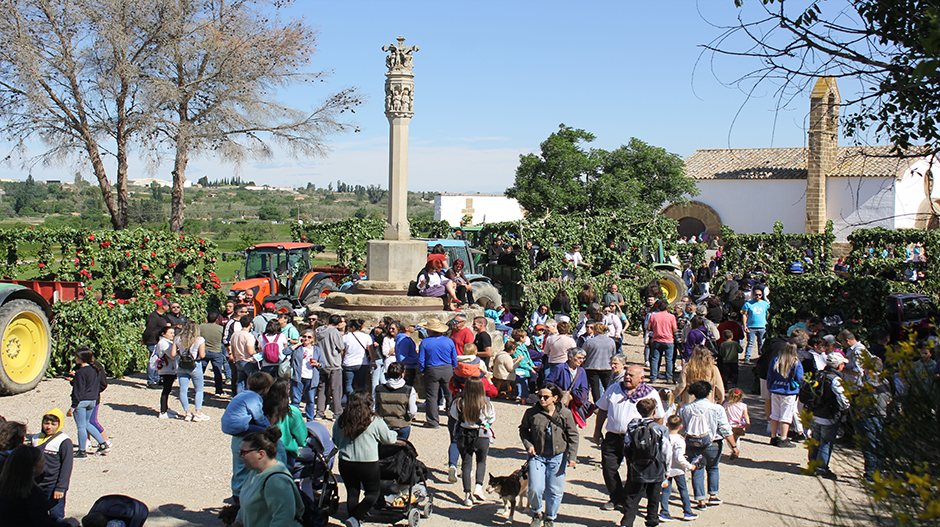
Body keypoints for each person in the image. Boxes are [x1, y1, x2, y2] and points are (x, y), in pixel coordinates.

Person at [593, 365, 665, 511]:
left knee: (634, 471)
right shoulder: (614, 389)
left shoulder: (650, 394)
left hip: (637, 440)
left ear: (641, 378)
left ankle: (629, 500)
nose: (627, 377)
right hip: (613, 436)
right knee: (608, 468)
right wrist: (597, 430)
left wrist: (653, 438)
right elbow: (602, 410)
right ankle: (616, 498)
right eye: (627, 374)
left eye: (632, 375)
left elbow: (659, 417)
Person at [333, 391, 398, 527]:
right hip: (367, 463)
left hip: (345, 461)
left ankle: (354, 519)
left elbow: (336, 440)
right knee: (373, 492)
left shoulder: (341, 420)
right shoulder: (374, 421)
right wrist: (394, 433)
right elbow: (388, 439)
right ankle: (355, 518)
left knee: (352, 492)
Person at [520, 384, 579, 527]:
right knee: (535, 487)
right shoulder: (531, 413)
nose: (541, 399)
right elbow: (523, 430)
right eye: (540, 396)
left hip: (557, 456)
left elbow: (573, 435)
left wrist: (572, 457)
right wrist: (529, 445)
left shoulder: (565, 414)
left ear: (555, 398)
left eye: (546, 397)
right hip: (537, 456)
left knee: (555, 489)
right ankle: (537, 513)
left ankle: (550, 518)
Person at [678, 381, 739, 509]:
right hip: (713, 443)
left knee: (697, 470)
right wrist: (733, 446)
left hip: (692, 443)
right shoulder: (717, 408)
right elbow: (725, 429)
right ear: (709, 392)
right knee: (713, 468)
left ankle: (700, 500)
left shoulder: (685, 409)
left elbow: (681, 429)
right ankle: (713, 495)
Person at [233, 426, 304, 527]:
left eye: (244, 452)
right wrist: (239, 520)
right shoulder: (255, 472)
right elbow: (245, 504)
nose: (240, 456)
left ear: (261, 454)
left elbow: (283, 520)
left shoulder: (276, 481)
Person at [221, 371, 274, 502]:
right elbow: (259, 417)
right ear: (265, 388)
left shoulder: (242, 394)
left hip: (230, 427)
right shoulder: (254, 398)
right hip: (241, 428)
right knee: (265, 431)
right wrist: (269, 427)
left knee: (238, 465)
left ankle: (237, 492)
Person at [620, 398, 669, 527]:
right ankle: (652, 521)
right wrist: (666, 468)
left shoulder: (632, 426)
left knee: (633, 496)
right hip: (656, 467)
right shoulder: (661, 429)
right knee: (654, 497)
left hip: (637, 467)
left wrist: (631, 460)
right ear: (654, 412)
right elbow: (666, 450)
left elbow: (626, 444)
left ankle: (627, 522)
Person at [450, 377, 496, 506]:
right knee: (481, 461)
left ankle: (467, 495)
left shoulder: (458, 402)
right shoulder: (487, 404)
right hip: (481, 435)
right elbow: (491, 419)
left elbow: (453, 415)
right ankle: (478, 486)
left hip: (463, 434)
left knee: (466, 464)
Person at [0, 445, 72, 527]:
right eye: (41, 461)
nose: (44, 463)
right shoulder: (32, 493)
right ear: (33, 467)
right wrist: (69, 524)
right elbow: (43, 523)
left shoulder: (4, 486)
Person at [808, 353, 850, 479]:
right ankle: (822, 468)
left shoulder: (819, 374)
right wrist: (844, 410)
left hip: (814, 413)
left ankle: (812, 464)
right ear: (838, 366)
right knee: (825, 443)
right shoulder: (835, 379)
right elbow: (843, 399)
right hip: (829, 416)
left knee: (815, 440)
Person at [29, 409, 72, 519]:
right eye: (46, 423)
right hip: (35, 484)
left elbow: (66, 466)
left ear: (59, 424)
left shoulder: (63, 441)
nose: (49, 427)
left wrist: (61, 487)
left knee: (56, 515)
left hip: (52, 484)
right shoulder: (35, 438)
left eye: (53, 424)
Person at [68, 348, 109, 456]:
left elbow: (78, 390)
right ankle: (103, 444)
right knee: (87, 424)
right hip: (93, 400)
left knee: (81, 426)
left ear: (82, 358)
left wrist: (73, 406)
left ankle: (82, 451)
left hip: (82, 402)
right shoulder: (95, 369)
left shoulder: (80, 372)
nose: (75, 359)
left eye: (76, 357)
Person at [418, 320, 458, 428]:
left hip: (432, 369)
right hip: (447, 368)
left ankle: (433, 421)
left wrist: (423, 371)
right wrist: (453, 368)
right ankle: (452, 419)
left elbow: (421, 359)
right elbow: (454, 357)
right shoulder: (449, 341)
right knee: (449, 394)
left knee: (432, 396)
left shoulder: (425, 342)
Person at [660, 414, 698, 522]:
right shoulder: (680, 440)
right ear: (681, 426)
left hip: (666, 469)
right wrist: (690, 466)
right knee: (683, 490)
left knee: (665, 491)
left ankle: (664, 511)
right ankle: (687, 511)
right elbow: (679, 458)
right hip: (678, 470)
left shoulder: (663, 438)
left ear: (667, 425)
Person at [264, 378, 307, 469]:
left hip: (264, 448)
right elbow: (301, 436)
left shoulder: (263, 407)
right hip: (287, 451)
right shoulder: (292, 411)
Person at [767, 343, 803, 448]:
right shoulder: (795, 362)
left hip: (775, 390)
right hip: (789, 392)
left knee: (775, 415)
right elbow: (800, 378)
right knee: (785, 416)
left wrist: (770, 386)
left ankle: (773, 437)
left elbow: (769, 375)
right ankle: (783, 438)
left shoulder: (775, 360)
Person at [545, 348, 590, 427]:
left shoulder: (582, 371)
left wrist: (575, 396)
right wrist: (560, 392)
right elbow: (548, 382)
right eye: (579, 358)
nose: (582, 360)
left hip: (574, 405)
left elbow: (585, 388)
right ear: (570, 357)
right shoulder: (560, 368)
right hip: (560, 402)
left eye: (583, 358)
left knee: (571, 427)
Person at [174, 321, 209, 422]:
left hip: (182, 365)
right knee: (199, 389)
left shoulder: (177, 338)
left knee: (183, 390)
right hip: (195, 365)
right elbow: (202, 355)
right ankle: (198, 412)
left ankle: (187, 413)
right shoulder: (199, 339)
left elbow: (173, 353)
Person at [374, 362, 417, 440]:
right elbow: (412, 411)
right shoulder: (409, 390)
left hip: (384, 425)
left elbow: (374, 408)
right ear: (402, 375)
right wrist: (407, 418)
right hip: (402, 425)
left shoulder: (378, 389)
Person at [316, 315, 346, 419]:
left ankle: (319, 412)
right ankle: (337, 413)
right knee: (336, 390)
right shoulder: (335, 333)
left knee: (322, 389)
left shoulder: (319, 330)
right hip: (334, 364)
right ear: (338, 323)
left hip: (322, 363)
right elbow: (341, 347)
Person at [289, 329, 321, 421]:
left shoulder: (317, 350)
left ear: (313, 339)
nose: (306, 338)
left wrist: (317, 364)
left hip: (311, 377)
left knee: (310, 400)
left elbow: (322, 364)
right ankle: (293, 420)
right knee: (295, 400)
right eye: (304, 336)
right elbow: (285, 352)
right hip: (298, 377)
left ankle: (310, 420)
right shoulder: (297, 348)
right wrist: (298, 344)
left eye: (309, 337)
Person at [581, 323, 616, 402]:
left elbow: (583, 353)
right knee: (608, 386)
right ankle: (608, 402)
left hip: (592, 367)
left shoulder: (590, 341)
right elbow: (614, 354)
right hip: (607, 367)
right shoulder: (611, 341)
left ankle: (597, 404)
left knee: (595, 388)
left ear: (596, 330)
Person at [143, 299, 172, 388]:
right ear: (163, 307)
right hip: (153, 341)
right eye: (167, 305)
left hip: (158, 341)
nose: (168, 307)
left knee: (158, 360)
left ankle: (157, 379)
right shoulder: (153, 317)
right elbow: (148, 330)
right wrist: (145, 340)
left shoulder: (161, 316)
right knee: (153, 360)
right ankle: (151, 381)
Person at [648, 299, 678, 383]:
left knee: (654, 359)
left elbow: (649, 328)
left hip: (656, 339)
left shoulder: (653, 316)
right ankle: (669, 378)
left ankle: (653, 377)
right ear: (667, 307)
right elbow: (674, 329)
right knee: (669, 360)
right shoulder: (671, 316)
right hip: (668, 340)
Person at [200, 312, 230, 396]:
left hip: (204, 351)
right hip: (216, 351)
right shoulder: (220, 328)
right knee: (217, 372)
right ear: (217, 319)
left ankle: (198, 388)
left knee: (201, 371)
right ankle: (219, 390)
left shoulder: (200, 327)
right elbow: (224, 339)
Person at [342, 319, 374, 394]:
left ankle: (350, 400)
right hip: (362, 363)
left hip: (348, 363)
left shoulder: (345, 337)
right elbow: (371, 350)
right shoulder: (366, 336)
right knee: (362, 385)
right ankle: (360, 401)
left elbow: (342, 351)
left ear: (353, 327)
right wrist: (373, 361)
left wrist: (342, 360)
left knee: (348, 384)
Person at [230, 315, 260, 395]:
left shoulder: (235, 335)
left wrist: (235, 358)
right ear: (250, 324)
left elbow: (232, 348)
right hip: (248, 361)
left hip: (238, 360)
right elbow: (250, 351)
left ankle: (239, 398)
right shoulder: (249, 336)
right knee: (252, 383)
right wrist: (258, 352)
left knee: (240, 382)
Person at [741, 287, 770, 362]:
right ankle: (747, 358)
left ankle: (761, 358)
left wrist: (768, 322)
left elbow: (768, 313)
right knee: (750, 343)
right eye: (756, 295)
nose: (758, 296)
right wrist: (745, 325)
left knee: (762, 343)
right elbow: (744, 315)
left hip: (762, 327)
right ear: (753, 295)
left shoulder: (765, 304)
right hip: (751, 327)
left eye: (760, 295)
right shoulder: (748, 304)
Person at [722, 388, 750, 456]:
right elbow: (746, 415)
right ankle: (737, 450)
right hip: (739, 425)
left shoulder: (726, 404)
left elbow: (722, 412)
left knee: (729, 439)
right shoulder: (743, 405)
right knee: (737, 438)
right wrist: (748, 422)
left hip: (729, 425)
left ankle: (733, 449)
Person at [392, 321, 419, 386]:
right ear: (406, 328)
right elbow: (403, 358)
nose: (414, 327)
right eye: (412, 326)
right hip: (407, 369)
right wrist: (417, 360)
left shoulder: (403, 339)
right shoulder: (405, 340)